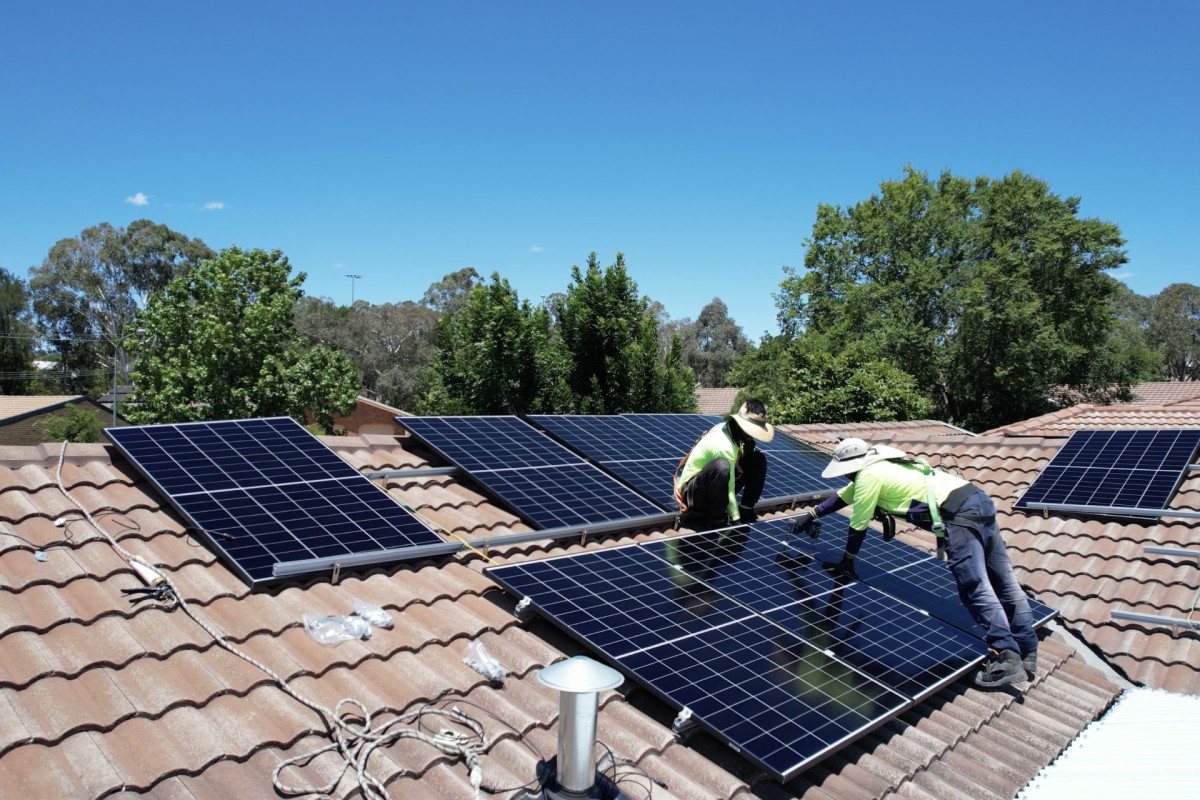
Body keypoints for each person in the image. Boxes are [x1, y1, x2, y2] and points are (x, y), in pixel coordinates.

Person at [789, 438, 1038, 688]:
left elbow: (858, 524)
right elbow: (842, 498)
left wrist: (847, 561)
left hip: (958, 513)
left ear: (852, 467)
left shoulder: (867, 476)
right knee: (1005, 582)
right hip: (977, 499)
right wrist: (809, 516)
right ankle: (1027, 650)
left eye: (845, 473)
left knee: (974, 585)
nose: (845, 478)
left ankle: (1006, 655)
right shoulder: (882, 466)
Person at [675, 399, 772, 532]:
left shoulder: (732, 431)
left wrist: (742, 453)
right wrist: (735, 520)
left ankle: (746, 510)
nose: (752, 436)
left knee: (758, 459)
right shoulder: (723, 444)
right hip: (693, 494)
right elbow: (730, 489)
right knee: (722, 465)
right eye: (751, 432)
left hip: (714, 486)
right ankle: (717, 519)